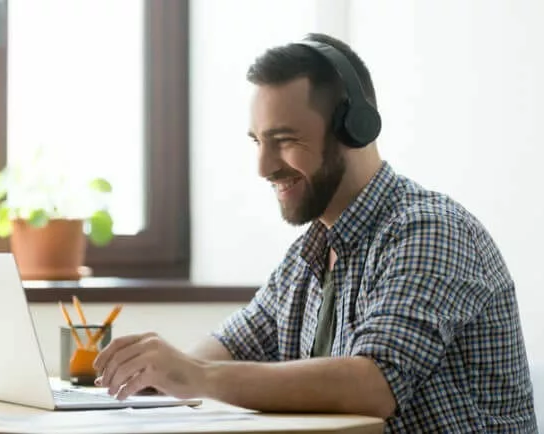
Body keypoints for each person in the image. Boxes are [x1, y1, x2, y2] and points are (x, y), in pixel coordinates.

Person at [93, 33, 538, 432]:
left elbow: (375, 384)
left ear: (354, 129)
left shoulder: (429, 231)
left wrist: (195, 377)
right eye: (257, 141)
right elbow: (231, 345)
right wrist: (155, 372)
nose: (264, 167)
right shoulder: (308, 255)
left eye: (284, 140)